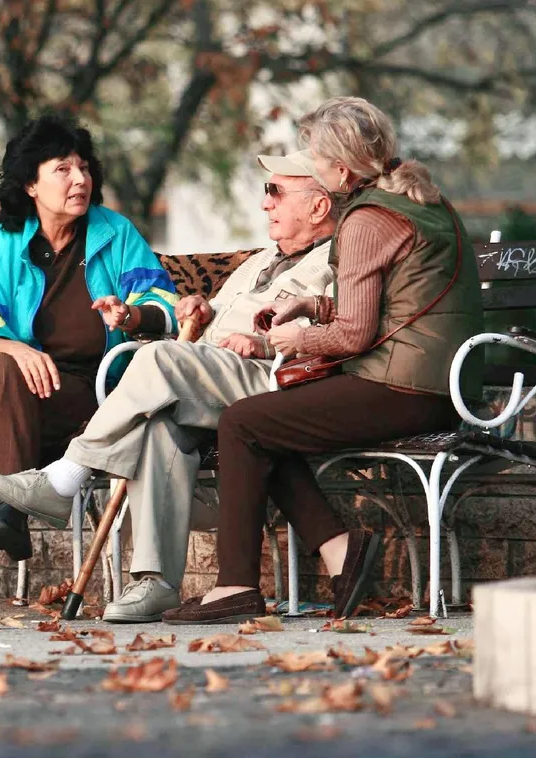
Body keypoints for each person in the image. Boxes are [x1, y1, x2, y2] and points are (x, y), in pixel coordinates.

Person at [159, 96, 483, 624]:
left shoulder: (365, 220)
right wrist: (313, 304)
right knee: (267, 418)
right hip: (441, 381)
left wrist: (288, 339)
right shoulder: (421, 198)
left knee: (241, 421)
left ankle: (235, 586)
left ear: (340, 166)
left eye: (314, 153)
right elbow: (398, 303)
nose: (309, 162)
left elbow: (354, 335)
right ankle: (339, 549)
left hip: (405, 388)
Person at [0, 151, 339, 623]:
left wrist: (259, 341)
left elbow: (330, 333)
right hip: (213, 376)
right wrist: (203, 310)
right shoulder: (264, 260)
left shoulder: (334, 261)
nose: (264, 204)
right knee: (157, 428)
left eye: (275, 191)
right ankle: (156, 583)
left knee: (154, 356)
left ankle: (67, 476)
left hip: (270, 382)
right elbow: (214, 315)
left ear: (318, 207)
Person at [0, 114, 179, 623]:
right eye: (62, 169)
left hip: (84, 397)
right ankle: (9, 507)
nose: (80, 179)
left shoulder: (115, 236)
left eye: (84, 168)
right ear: (30, 183)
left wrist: (131, 314)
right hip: (1, 389)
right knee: (3, 376)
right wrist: (12, 348)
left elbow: (165, 306)